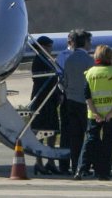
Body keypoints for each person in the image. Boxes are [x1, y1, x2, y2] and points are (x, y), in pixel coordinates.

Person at [73, 45, 112, 181]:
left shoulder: (90, 73)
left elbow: (87, 95)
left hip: (94, 113)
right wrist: (110, 113)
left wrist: (95, 112)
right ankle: (103, 172)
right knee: (108, 142)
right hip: (111, 113)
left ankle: (80, 169)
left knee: (90, 140)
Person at [63, 29, 94, 174]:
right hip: (84, 103)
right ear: (86, 43)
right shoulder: (89, 61)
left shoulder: (69, 59)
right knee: (88, 136)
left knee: (74, 137)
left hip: (71, 101)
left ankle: (75, 165)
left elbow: (65, 82)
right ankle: (85, 166)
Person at [30, 36, 61, 175]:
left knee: (52, 131)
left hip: (50, 99)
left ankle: (50, 160)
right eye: (49, 46)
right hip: (42, 99)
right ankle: (39, 161)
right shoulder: (39, 61)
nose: (51, 49)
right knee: (41, 132)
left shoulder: (46, 60)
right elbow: (48, 80)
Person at [56, 30, 77, 175]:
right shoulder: (63, 56)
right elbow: (59, 78)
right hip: (67, 98)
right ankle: (64, 164)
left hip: (79, 99)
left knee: (78, 132)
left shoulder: (82, 56)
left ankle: (76, 163)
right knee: (66, 133)